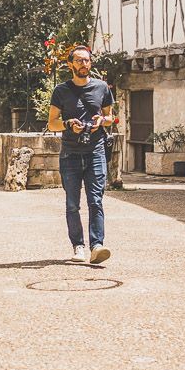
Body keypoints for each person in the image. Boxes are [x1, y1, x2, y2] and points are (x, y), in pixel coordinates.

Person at [48, 45, 115, 264]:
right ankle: (78, 246)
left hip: (95, 151)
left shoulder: (102, 88)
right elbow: (52, 124)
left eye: (86, 60)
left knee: (96, 200)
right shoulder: (61, 91)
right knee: (72, 204)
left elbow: (112, 118)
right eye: (78, 61)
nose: (83, 64)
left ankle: (97, 246)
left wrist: (100, 122)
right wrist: (69, 124)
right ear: (70, 65)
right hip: (71, 154)